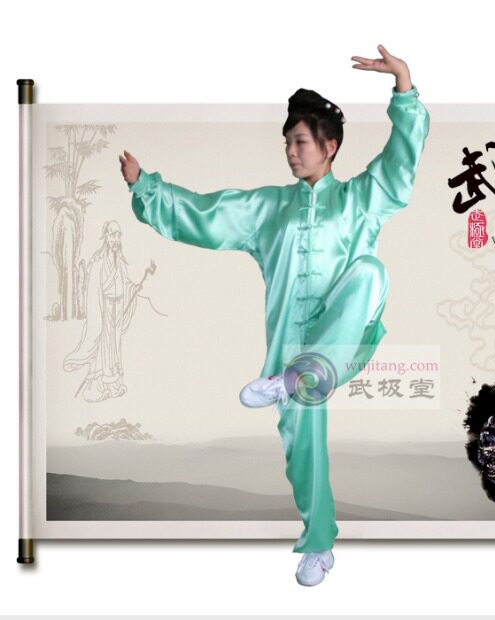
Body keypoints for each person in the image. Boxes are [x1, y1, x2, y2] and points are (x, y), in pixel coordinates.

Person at [119, 44, 430, 587]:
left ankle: (300, 376)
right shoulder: (268, 209)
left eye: (300, 141)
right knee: (303, 447)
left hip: (347, 336)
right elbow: (205, 214)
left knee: (370, 272)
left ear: (329, 147)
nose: (290, 151)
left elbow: (401, 161)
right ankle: (318, 545)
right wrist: (146, 187)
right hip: (290, 348)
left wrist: (402, 85)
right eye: (286, 142)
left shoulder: (361, 199)